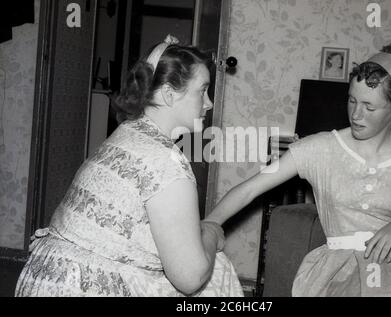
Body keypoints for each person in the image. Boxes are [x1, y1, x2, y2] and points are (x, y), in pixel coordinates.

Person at [206, 45, 391, 296]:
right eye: (352, 100)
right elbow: (250, 189)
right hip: (337, 272)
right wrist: (211, 222)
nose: (356, 114)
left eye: (369, 106)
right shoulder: (321, 148)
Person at [15, 35, 243, 297]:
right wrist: (212, 232)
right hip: (81, 286)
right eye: (202, 91)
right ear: (169, 94)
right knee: (214, 272)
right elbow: (189, 278)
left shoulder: (127, 133)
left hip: (45, 278)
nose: (209, 103)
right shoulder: (166, 162)